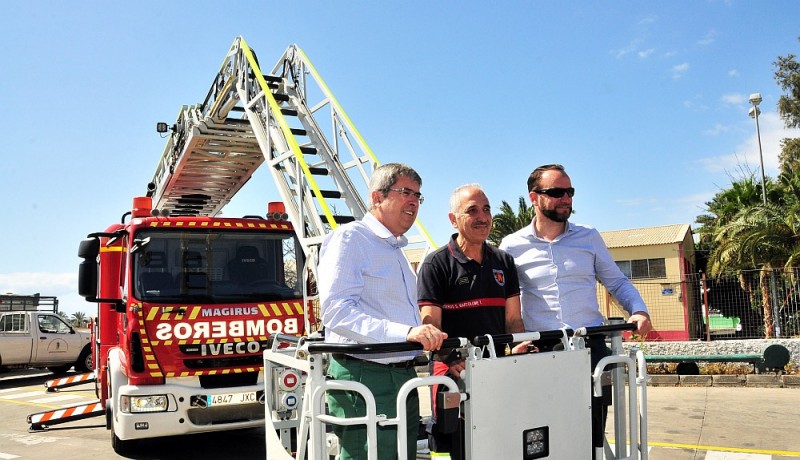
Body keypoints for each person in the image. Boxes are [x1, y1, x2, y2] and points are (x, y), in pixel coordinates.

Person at [498, 163, 652, 457]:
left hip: (590, 349)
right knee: (539, 433)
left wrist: (639, 310)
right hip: (538, 351)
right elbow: (505, 301)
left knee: (591, 431)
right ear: (534, 197)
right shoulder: (511, 246)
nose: (566, 198)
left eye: (570, 191)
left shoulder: (589, 237)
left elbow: (617, 282)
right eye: (556, 192)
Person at [319, 162, 447, 460]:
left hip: (402, 377)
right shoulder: (351, 239)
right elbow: (336, 311)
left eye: (418, 196)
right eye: (405, 192)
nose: (414, 202)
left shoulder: (395, 251)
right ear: (377, 197)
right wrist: (407, 333)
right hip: (365, 377)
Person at [417, 183, 528, 459]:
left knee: (498, 444)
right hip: (452, 375)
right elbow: (432, 327)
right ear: (453, 219)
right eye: (472, 210)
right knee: (451, 446)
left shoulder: (504, 261)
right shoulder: (436, 264)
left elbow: (513, 319)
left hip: (496, 371)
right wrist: (454, 359)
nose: (483, 217)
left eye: (487, 209)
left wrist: (521, 346)